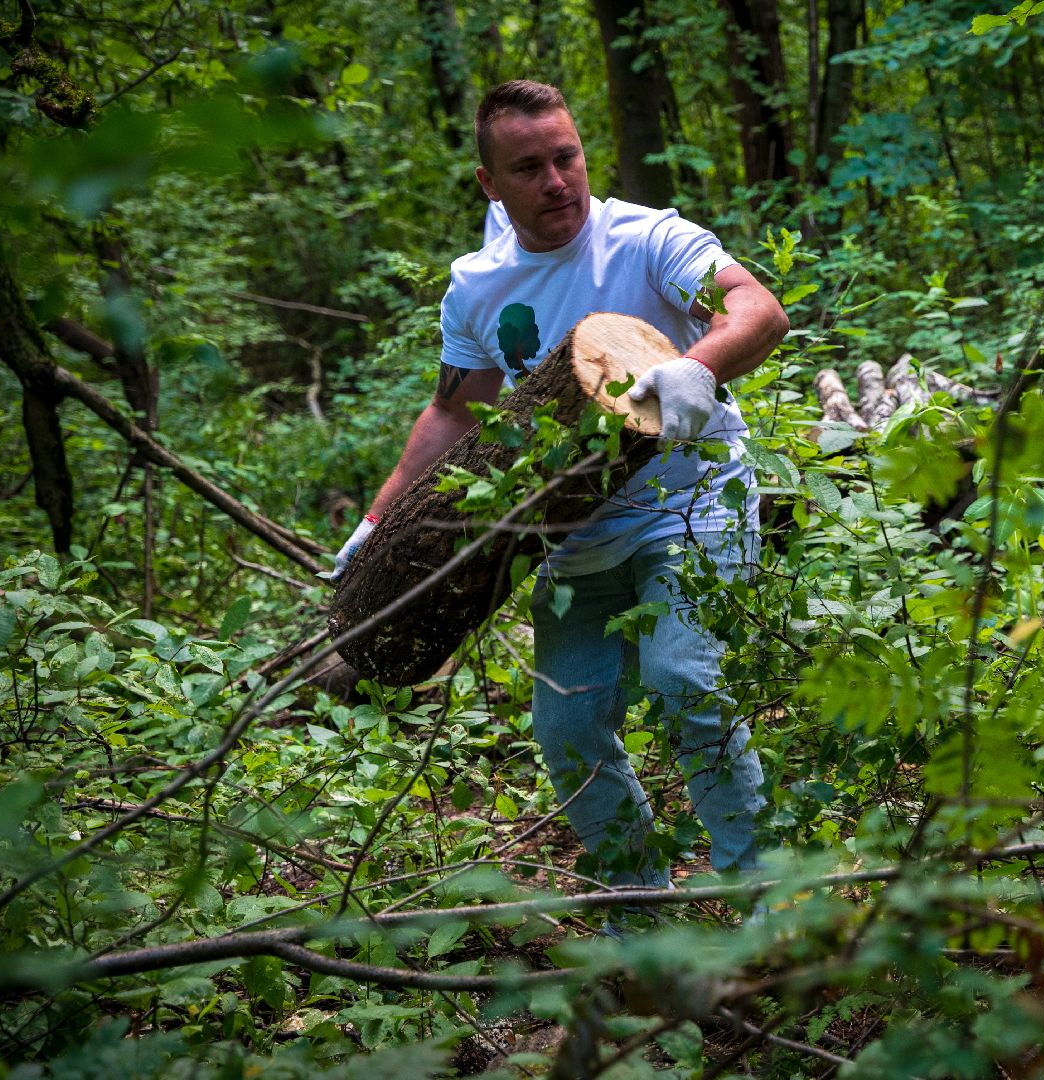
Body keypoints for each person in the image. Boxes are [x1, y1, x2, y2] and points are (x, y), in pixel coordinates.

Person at [327, 80, 788, 894]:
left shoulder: (647, 240)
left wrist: (696, 366)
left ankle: (763, 898)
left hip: (693, 499)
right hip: (570, 536)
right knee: (568, 728)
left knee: (688, 681)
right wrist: (379, 515)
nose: (555, 181)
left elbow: (756, 308)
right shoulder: (475, 285)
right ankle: (636, 904)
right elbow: (456, 410)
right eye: (528, 166)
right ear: (489, 185)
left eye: (566, 157)